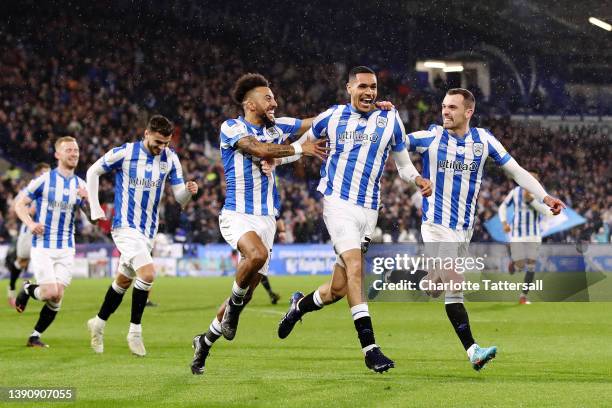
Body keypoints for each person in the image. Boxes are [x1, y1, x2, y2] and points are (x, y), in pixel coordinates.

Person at [275, 66, 432, 373]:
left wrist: (418, 180)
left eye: (373, 87)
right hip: (337, 204)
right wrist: (275, 158)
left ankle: (299, 305)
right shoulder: (331, 117)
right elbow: (301, 145)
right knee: (356, 268)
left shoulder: (390, 120)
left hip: (369, 212)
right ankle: (370, 349)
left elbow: (403, 166)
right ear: (349, 88)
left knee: (338, 289)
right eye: (362, 86)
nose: (369, 92)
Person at [407, 88, 564, 370]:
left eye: (452, 107)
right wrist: (386, 117)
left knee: (441, 289)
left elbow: (516, 171)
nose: (445, 111)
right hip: (436, 225)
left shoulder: (484, 140)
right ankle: (474, 351)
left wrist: (545, 197)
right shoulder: (430, 136)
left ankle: (427, 281)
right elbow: (396, 143)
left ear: (469, 112)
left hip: (464, 229)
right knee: (455, 282)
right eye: (443, 106)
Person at [190, 73, 328, 375]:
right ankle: (234, 312)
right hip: (237, 214)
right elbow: (261, 149)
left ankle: (204, 342)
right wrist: (297, 150)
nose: (274, 102)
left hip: (267, 219)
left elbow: (315, 121)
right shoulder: (232, 127)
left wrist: (357, 110)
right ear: (250, 103)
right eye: (268, 98)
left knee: (247, 292)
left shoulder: (277, 127)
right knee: (257, 256)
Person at [85, 114, 198, 356]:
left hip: (149, 230)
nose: (162, 148)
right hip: (125, 226)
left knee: (124, 281)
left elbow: (179, 197)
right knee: (147, 273)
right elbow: (93, 171)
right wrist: (95, 208)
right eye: (158, 142)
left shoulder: (170, 158)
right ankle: (135, 331)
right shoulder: (125, 153)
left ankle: (98, 322)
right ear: (146, 134)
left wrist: (188, 192)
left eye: (166, 143)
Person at [13, 137, 92, 347]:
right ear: (57, 154)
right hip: (43, 246)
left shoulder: (81, 185)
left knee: (57, 297)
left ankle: (34, 336)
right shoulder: (45, 180)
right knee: (50, 292)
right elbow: (19, 204)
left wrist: (88, 200)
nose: (74, 154)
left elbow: (93, 217)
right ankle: (28, 289)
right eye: (69, 150)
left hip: (66, 247)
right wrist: (30, 224)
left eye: (76, 150)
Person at [499, 174, 553, 304]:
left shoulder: (541, 194)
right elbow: (502, 207)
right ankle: (515, 263)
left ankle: (523, 296)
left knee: (531, 266)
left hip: (534, 234)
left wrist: (532, 201)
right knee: (520, 264)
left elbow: (546, 211)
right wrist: (504, 222)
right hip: (517, 233)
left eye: (534, 179)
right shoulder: (515, 192)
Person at [6, 162, 51, 307]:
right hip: (29, 231)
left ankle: (39, 291)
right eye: (44, 173)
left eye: (48, 172)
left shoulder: (53, 188)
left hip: (46, 231)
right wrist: (29, 209)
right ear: (37, 174)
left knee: (49, 261)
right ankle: (12, 289)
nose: (47, 175)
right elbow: (15, 206)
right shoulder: (30, 187)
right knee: (21, 262)